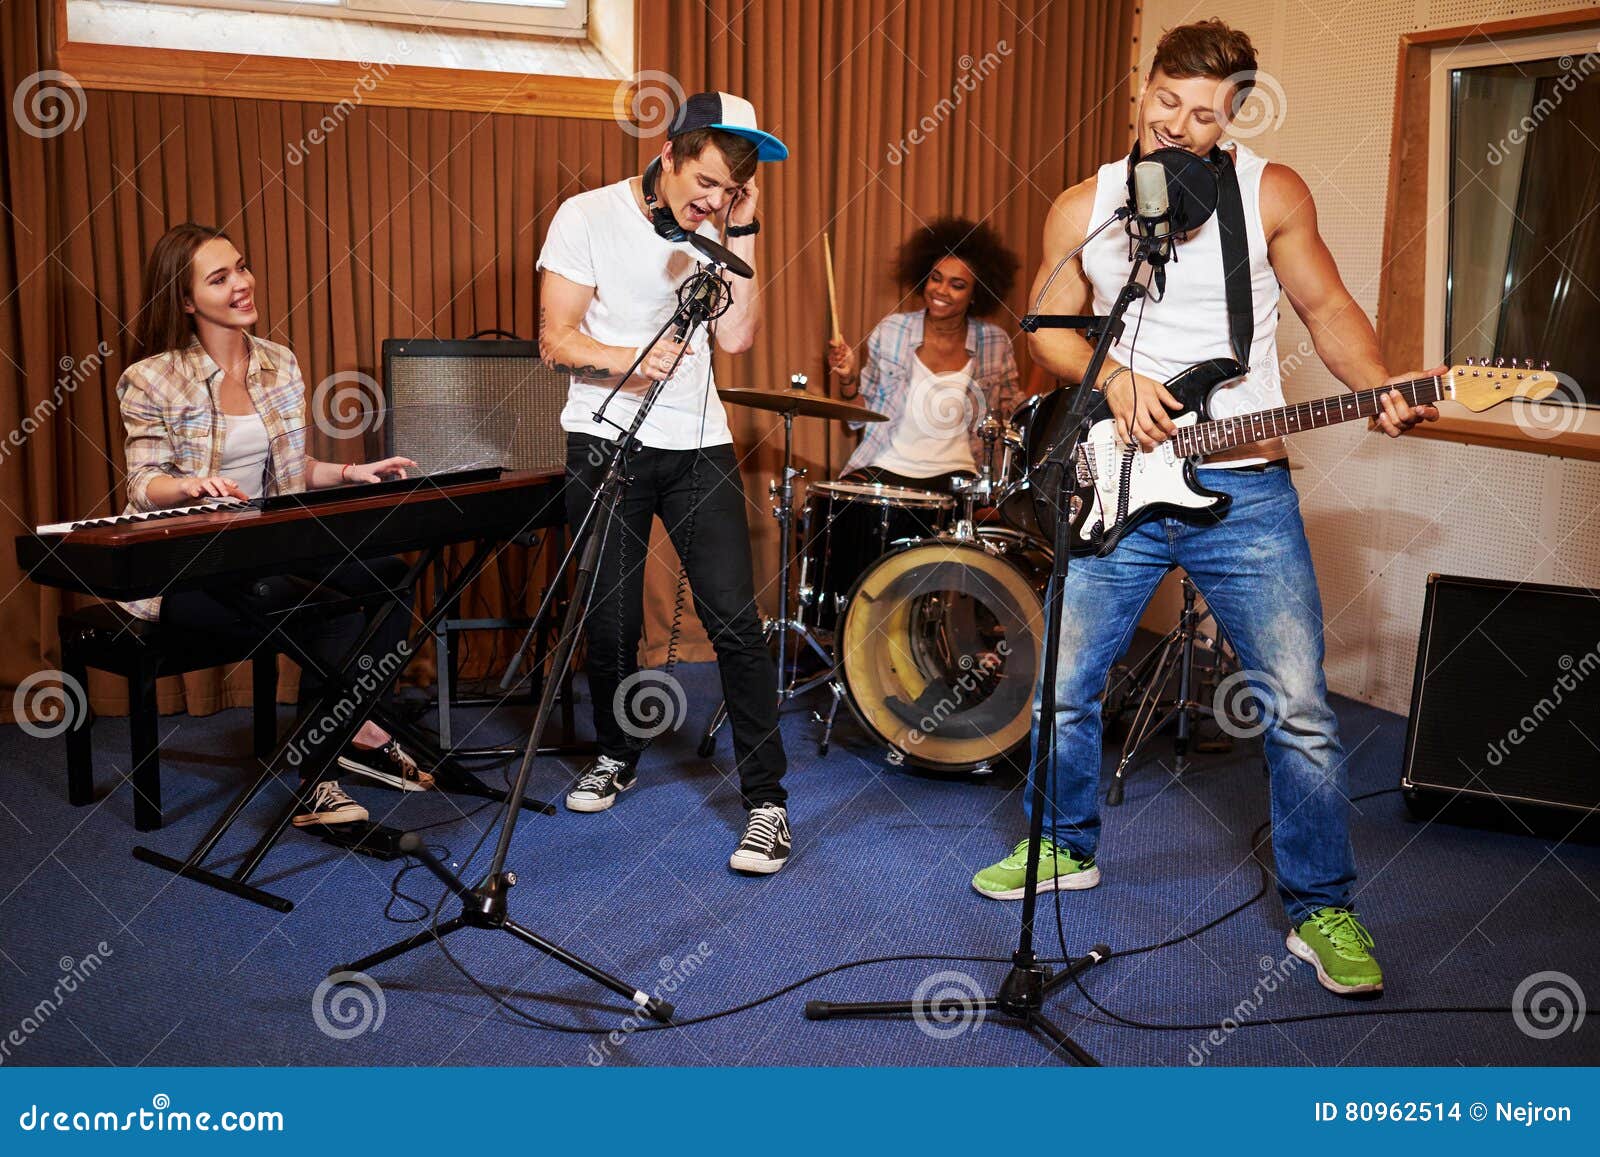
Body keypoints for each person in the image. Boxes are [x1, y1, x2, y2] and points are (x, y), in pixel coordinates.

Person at [969, 20, 1439, 998]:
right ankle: (1063, 843)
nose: (1181, 126)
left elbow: (1330, 311)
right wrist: (1117, 381)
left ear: (1234, 115)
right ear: (1140, 90)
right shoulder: (1086, 204)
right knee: (1063, 681)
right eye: (1167, 103)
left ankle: (1321, 905)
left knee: (1300, 706)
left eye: (1206, 113)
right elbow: (1051, 333)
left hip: (1245, 487)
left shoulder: (1270, 192)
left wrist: (1379, 378)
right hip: (1120, 480)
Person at [537, 92, 792, 874]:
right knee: (611, 618)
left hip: (697, 443)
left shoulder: (722, 229)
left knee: (735, 623)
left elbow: (739, 337)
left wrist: (739, 228)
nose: (712, 200)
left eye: (731, 190)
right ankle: (616, 751)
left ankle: (768, 803)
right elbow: (554, 338)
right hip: (606, 438)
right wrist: (626, 362)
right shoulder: (586, 215)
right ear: (672, 149)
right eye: (707, 182)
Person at [117, 222, 433, 827]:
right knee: (326, 607)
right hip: (187, 563)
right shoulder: (152, 378)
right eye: (220, 278)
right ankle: (320, 780)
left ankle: (355, 728)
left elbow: (291, 471)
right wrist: (187, 487)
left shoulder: (278, 363)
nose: (242, 284)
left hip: (265, 545)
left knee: (389, 575)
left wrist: (350, 471)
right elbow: (142, 484)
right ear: (186, 301)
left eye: (241, 266)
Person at [828, 218, 1022, 494]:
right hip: (886, 464)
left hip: (960, 475)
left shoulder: (995, 342)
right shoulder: (892, 330)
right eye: (936, 278)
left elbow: (1011, 411)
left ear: (975, 294)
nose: (941, 290)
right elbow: (857, 418)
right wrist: (848, 378)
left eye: (957, 285)